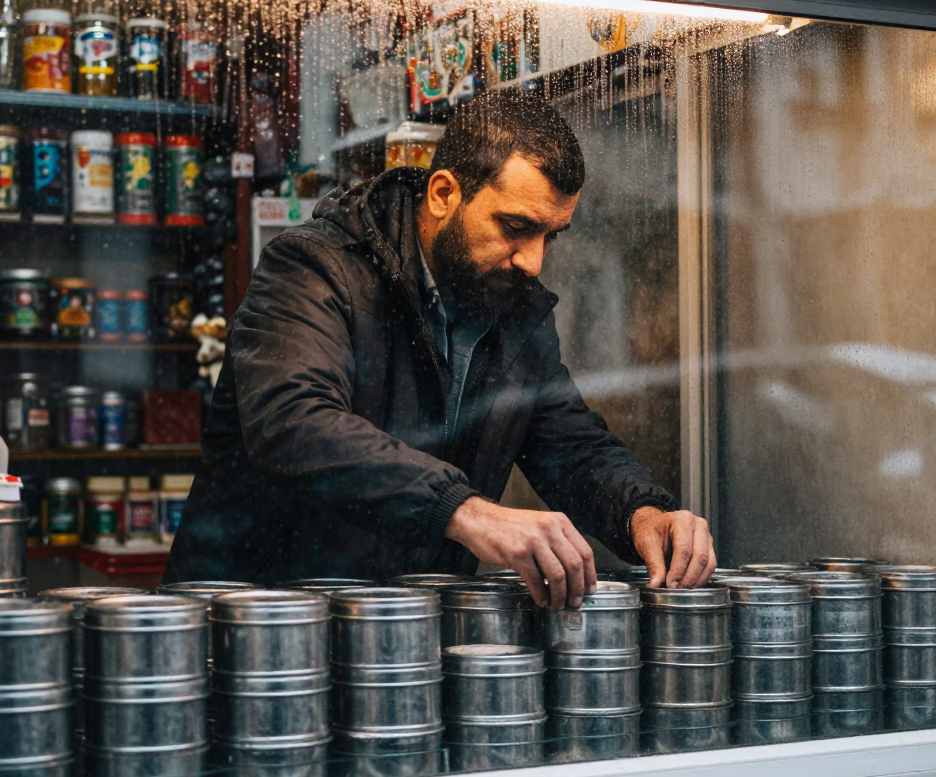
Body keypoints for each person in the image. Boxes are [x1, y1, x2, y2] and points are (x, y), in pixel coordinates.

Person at [164, 89, 716, 609]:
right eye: (516, 227)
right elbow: (294, 422)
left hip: (397, 634)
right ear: (444, 193)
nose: (534, 261)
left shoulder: (511, 305)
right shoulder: (314, 268)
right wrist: (465, 511)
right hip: (255, 624)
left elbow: (569, 445)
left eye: (551, 235)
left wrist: (644, 510)